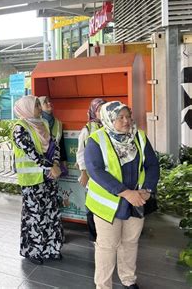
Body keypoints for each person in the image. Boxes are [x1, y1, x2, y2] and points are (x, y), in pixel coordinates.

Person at [84, 101, 159, 289]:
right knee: (107, 247)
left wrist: (148, 189)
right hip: (108, 204)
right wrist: (125, 193)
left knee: (130, 242)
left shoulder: (139, 136)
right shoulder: (96, 140)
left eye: (128, 116)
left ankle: (128, 280)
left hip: (136, 201)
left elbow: (152, 165)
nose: (126, 121)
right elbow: (96, 171)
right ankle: (103, 285)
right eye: (120, 117)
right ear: (109, 119)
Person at [12, 95, 63, 265]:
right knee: (34, 216)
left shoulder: (44, 124)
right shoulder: (19, 128)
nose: (39, 108)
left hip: (49, 177)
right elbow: (31, 152)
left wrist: (55, 163)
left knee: (51, 212)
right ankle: (32, 251)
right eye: (36, 106)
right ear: (26, 108)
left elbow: (54, 145)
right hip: (32, 179)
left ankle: (51, 248)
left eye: (38, 105)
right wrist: (50, 167)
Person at [76, 98, 106, 242]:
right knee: (92, 205)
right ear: (93, 111)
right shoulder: (87, 129)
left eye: (104, 108)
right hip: (93, 174)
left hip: (109, 174)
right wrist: (83, 172)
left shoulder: (112, 126)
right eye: (99, 109)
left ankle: (106, 235)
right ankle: (94, 237)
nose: (102, 112)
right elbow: (81, 152)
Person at [39, 96, 68, 169]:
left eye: (49, 101)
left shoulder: (58, 123)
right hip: (41, 160)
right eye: (45, 102)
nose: (49, 103)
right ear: (40, 107)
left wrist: (63, 160)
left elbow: (61, 143)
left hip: (55, 159)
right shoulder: (37, 123)